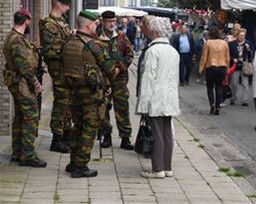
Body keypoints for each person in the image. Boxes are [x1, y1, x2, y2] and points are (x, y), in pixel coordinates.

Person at [62, 10, 120, 178]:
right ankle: (81, 166)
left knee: (77, 126)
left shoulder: (69, 42)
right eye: (95, 24)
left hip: (73, 92)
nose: (97, 26)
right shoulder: (93, 45)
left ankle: (73, 162)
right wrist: (118, 68)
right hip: (91, 94)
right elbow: (111, 70)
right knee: (89, 128)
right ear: (88, 25)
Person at [136, 16, 180, 179]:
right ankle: (167, 167)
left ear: (154, 31)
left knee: (156, 133)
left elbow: (148, 78)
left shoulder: (152, 51)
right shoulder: (173, 51)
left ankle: (158, 169)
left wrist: (143, 104)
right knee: (167, 132)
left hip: (155, 97)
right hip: (169, 97)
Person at [3, 10, 46, 167]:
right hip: (22, 83)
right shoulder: (17, 41)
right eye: (30, 21)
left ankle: (18, 151)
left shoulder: (12, 37)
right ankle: (27, 155)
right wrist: (36, 83)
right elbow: (23, 65)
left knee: (20, 117)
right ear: (26, 21)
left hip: (16, 82)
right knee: (31, 116)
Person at [39, 0, 72, 153]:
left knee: (67, 103)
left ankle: (66, 135)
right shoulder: (49, 25)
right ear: (59, 4)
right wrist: (68, 47)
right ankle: (56, 139)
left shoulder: (61, 22)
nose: (68, 7)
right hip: (58, 69)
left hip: (66, 69)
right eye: (66, 4)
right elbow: (49, 51)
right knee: (61, 103)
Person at [97, 11, 134, 150]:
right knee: (103, 106)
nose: (112, 24)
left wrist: (120, 68)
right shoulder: (97, 39)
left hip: (119, 79)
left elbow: (129, 55)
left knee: (122, 107)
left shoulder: (122, 37)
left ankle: (125, 137)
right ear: (102, 22)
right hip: (103, 79)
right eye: (108, 21)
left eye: (113, 21)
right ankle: (106, 135)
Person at [199, 26, 230, 115]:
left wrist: (201, 69)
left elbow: (204, 57)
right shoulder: (224, 43)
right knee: (219, 86)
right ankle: (218, 105)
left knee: (210, 87)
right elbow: (227, 57)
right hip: (222, 67)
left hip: (211, 67)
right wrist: (227, 68)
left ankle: (212, 104)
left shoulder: (208, 43)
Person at [228, 28, 253, 106]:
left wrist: (249, 50)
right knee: (234, 83)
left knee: (245, 83)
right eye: (240, 35)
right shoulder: (232, 44)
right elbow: (228, 55)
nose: (241, 37)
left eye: (243, 36)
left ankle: (244, 100)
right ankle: (233, 97)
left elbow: (252, 54)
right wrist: (233, 59)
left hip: (244, 65)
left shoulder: (247, 43)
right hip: (235, 65)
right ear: (237, 35)